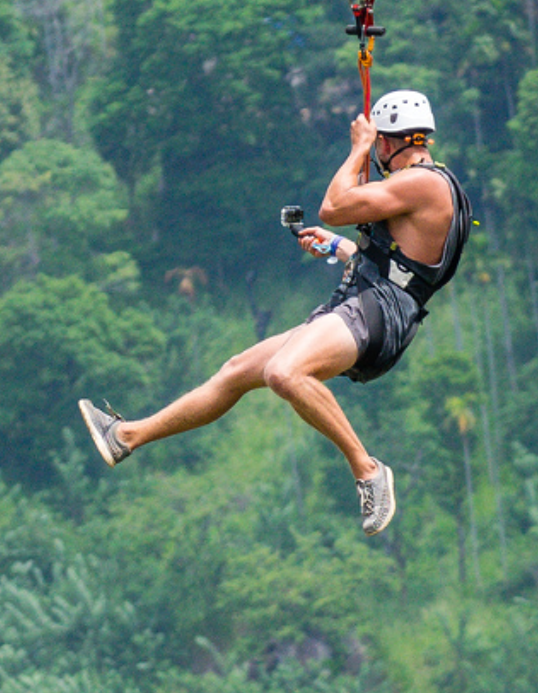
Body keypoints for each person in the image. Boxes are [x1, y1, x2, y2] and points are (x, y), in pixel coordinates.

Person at [77, 90, 471, 535]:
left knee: (284, 373)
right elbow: (400, 267)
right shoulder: (424, 188)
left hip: (377, 313)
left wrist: (357, 146)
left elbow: (336, 206)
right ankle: (126, 437)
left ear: (387, 142)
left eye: (378, 144)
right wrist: (338, 246)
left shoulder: (423, 183)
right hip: (369, 303)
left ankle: (368, 470)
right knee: (237, 371)